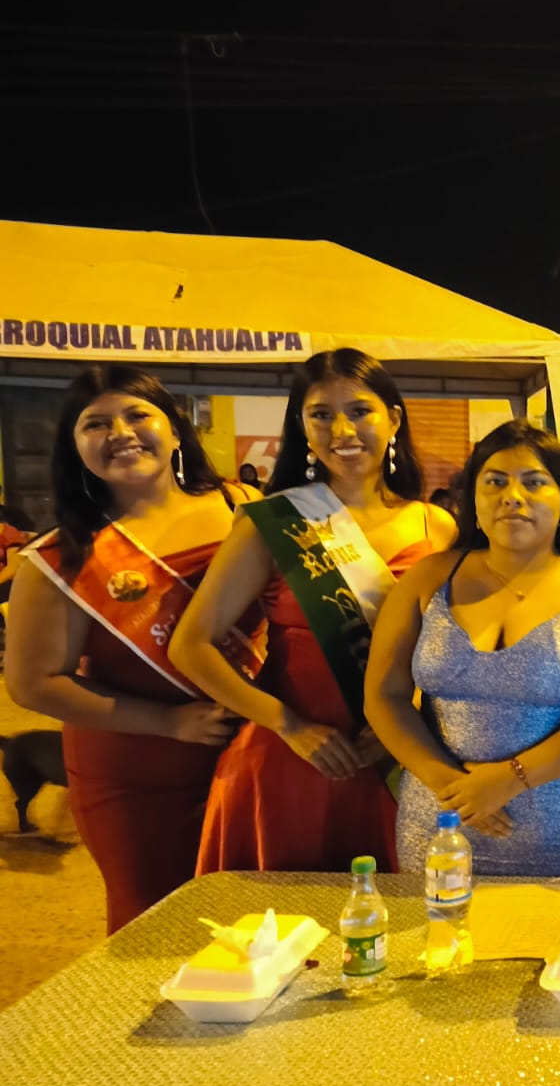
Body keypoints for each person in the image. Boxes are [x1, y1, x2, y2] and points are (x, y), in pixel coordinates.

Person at [171, 348, 454, 873]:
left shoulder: (436, 527)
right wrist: (289, 725)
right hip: (290, 761)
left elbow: (451, 650)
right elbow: (191, 645)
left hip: (394, 758)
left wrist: (403, 719)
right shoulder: (273, 522)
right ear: (301, 426)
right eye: (321, 414)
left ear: (393, 419)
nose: (342, 430)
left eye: (360, 411)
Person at [5, 366, 263, 932]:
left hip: (260, 750)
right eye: (95, 423)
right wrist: (168, 722)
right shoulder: (62, 556)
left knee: (262, 922)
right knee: (159, 930)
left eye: (137, 414)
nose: (120, 432)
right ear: (74, 447)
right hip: (141, 774)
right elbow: (33, 683)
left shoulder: (241, 505)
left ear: (175, 428)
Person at [365, 420, 560, 876]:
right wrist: (451, 785)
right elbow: (383, 695)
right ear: (472, 500)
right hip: (441, 821)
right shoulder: (428, 578)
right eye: (495, 482)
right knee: (440, 923)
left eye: (534, 482)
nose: (512, 496)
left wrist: (509, 779)